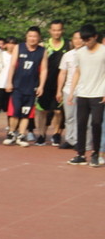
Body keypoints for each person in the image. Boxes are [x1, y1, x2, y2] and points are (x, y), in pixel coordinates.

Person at [66, 24, 105, 167]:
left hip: (98, 93)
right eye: (84, 40)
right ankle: (80, 154)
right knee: (81, 124)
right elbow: (77, 72)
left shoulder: (103, 51)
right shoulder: (80, 53)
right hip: (82, 93)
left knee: (96, 123)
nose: (86, 42)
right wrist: (72, 92)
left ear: (95, 37)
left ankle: (95, 154)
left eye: (88, 39)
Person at [4, 26, 48, 147]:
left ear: (39, 38)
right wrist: (9, 82)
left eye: (35, 36)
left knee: (26, 112)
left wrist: (41, 86)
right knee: (15, 111)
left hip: (32, 87)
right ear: (26, 37)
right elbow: (12, 66)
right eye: (30, 36)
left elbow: (44, 69)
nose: (32, 38)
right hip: (17, 86)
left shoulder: (42, 51)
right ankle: (12, 133)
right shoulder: (19, 47)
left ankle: (21, 135)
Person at [36, 20, 68, 146]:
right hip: (45, 83)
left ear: (62, 30)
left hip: (60, 84)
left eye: (59, 30)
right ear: (50, 31)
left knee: (58, 111)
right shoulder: (43, 46)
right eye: (54, 30)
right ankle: (41, 135)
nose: (56, 32)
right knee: (42, 111)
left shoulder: (68, 45)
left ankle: (56, 134)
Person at [56, 31, 82, 149]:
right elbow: (62, 73)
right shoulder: (68, 55)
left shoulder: (87, 54)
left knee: (80, 117)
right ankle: (70, 139)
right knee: (69, 116)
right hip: (68, 90)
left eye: (80, 38)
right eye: (75, 38)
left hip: (83, 90)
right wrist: (59, 90)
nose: (78, 41)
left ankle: (79, 140)